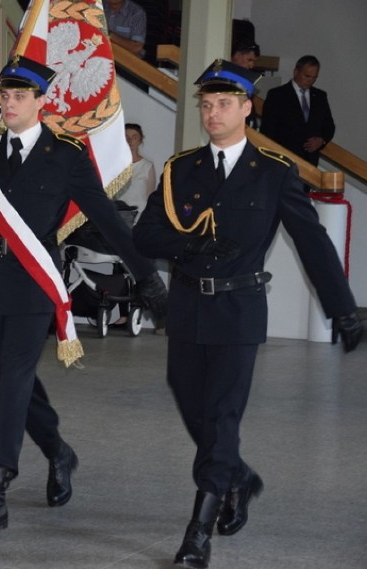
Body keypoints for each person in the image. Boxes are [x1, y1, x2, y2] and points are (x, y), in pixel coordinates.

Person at [132, 59, 364, 569]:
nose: (212, 113)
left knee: (222, 415)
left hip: (238, 309)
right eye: (206, 105)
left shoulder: (274, 174)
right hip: (189, 305)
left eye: (223, 105)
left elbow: (313, 243)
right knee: (192, 404)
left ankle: (199, 528)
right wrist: (192, 245)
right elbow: (145, 235)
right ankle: (237, 477)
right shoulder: (180, 169)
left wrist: (344, 311)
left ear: (245, 110)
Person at [0, 55, 167, 537]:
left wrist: (146, 277)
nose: (8, 104)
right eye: (4, 96)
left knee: (10, 381)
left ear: (42, 101)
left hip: (34, 282)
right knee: (18, 381)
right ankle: (58, 452)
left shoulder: (65, 154)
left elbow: (109, 219)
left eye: (19, 96)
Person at [261, 55, 335, 166]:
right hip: (284, 160)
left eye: (314, 77)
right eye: (307, 76)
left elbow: (329, 125)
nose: (310, 80)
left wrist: (321, 140)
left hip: (310, 161)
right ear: (296, 72)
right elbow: (268, 129)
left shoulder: (320, 96)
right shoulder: (277, 95)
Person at [115, 122, 156, 216]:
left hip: (139, 215)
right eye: (127, 137)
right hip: (117, 215)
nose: (130, 141)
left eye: (134, 137)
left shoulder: (147, 166)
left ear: (140, 140)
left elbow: (150, 196)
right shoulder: (115, 165)